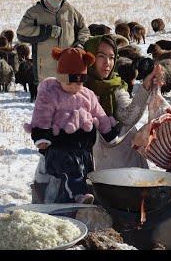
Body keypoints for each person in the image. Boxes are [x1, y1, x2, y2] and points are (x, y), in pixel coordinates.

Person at [24, 46, 117, 204]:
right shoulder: (51, 93)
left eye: (80, 82)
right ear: (61, 77)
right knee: (70, 169)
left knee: (85, 171)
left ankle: (85, 197)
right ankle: (77, 196)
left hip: (82, 147)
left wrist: (108, 133)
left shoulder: (87, 95)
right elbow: (42, 115)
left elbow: (99, 114)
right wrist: (42, 136)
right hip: (59, 147)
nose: (75, 87)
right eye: (70, 82)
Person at [83, 34, 164, 170]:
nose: (107, 63)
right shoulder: (76, 87)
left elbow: (128, 116)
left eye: (111, 57)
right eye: (101, 56)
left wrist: (145, 87)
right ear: (89, 57)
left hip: (119, 158)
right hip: (86, 159)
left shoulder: (115, 85)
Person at [16, 0, 90, 99]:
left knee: (69, 107)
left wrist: (80, 45)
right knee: (48, 109)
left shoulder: (70, 10)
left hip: (69, 71)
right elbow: (21, 33)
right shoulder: (34, 12)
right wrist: (45, 31)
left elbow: (84, 29)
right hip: (45, 72)